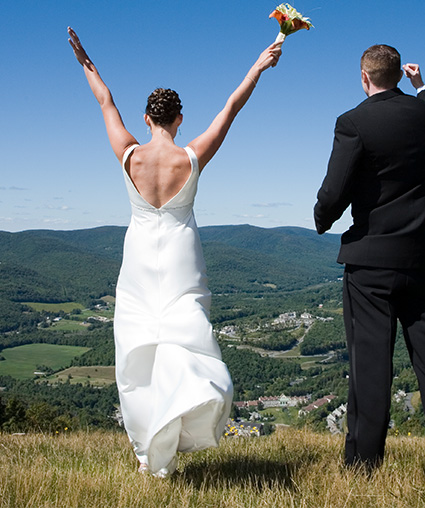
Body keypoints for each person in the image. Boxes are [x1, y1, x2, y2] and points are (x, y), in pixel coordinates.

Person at [68, 27, 281, 477]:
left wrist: (86, 61)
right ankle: (179, 418)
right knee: (184, 336)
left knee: (137, 347)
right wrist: (258, 67)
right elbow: (231, 108)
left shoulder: (129, 155)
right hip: (184, 252)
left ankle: (149, 447)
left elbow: (105, 101)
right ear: (179, 119)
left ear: (147, 118)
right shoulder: (192, 156)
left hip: (140, 254)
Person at [314, 44, 425, 475]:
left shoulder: (353, 122)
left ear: (364, 77)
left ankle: (363, 464)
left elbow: (335, 188)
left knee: (370, 364)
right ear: (399, 75)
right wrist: (424, 88)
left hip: (370, 263)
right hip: (420, 259)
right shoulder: (424, 115)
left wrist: (322, 217)